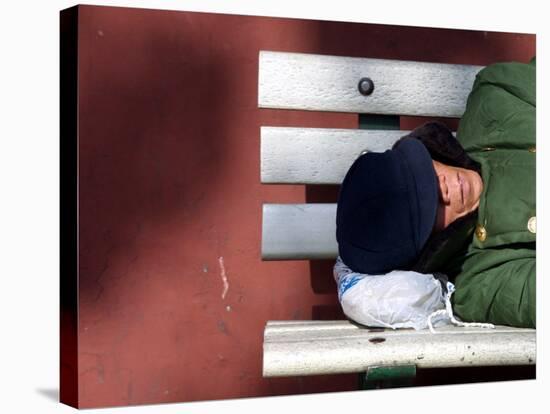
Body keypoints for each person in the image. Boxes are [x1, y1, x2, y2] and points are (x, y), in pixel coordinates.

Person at [335, 57, 535, 329]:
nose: (444, 187)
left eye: (426, 174)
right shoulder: (477, 282)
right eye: (431, 206)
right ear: (429, 248)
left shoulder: (496, 97)